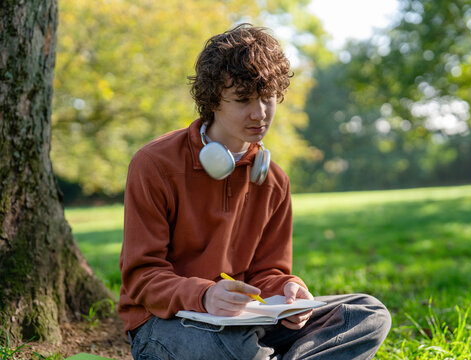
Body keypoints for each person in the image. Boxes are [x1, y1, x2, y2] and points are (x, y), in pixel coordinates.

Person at [119, 23, 391, 359]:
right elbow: (141, 276)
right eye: (243, 99)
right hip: (166, 323)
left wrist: (289, 289)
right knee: (232, 349)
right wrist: (204, 296)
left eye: (267, 98)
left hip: (244, 320)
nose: (259, 113)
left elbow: (268, 272)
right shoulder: (155, 164)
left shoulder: (274, 180)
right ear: (212, 100)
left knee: (366, 314)